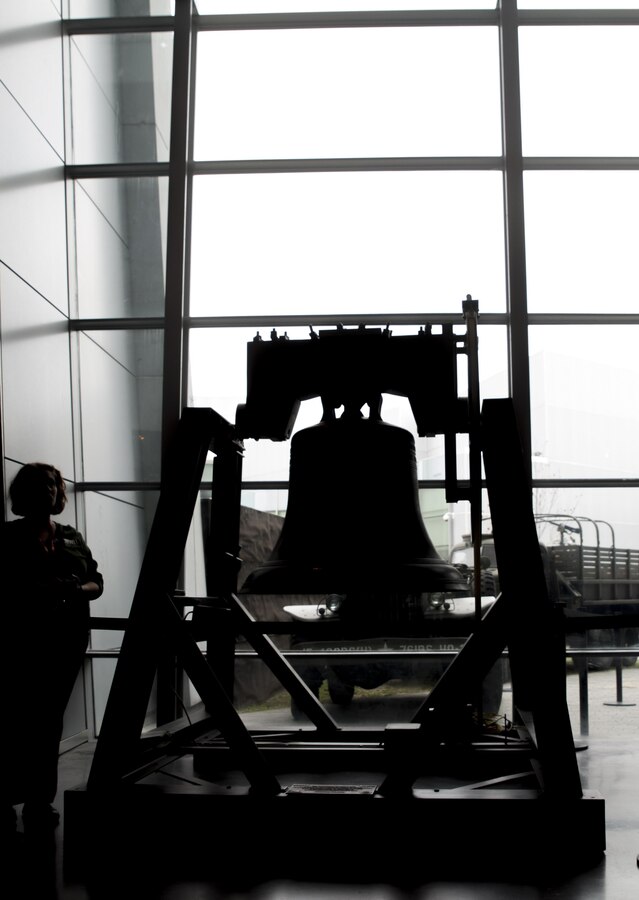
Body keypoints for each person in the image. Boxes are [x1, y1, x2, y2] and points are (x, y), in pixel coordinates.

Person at [1, 463, 103, 833]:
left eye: (52, 483)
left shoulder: (72, 536)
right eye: (39, 484)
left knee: (47, 723)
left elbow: (96, 582)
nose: (48, 489)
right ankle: (8, 797)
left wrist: (73, 589)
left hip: (66, 643)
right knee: (16, 721)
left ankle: (38, 801)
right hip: (21, 644)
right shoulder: (7, 537)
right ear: (24, 493)